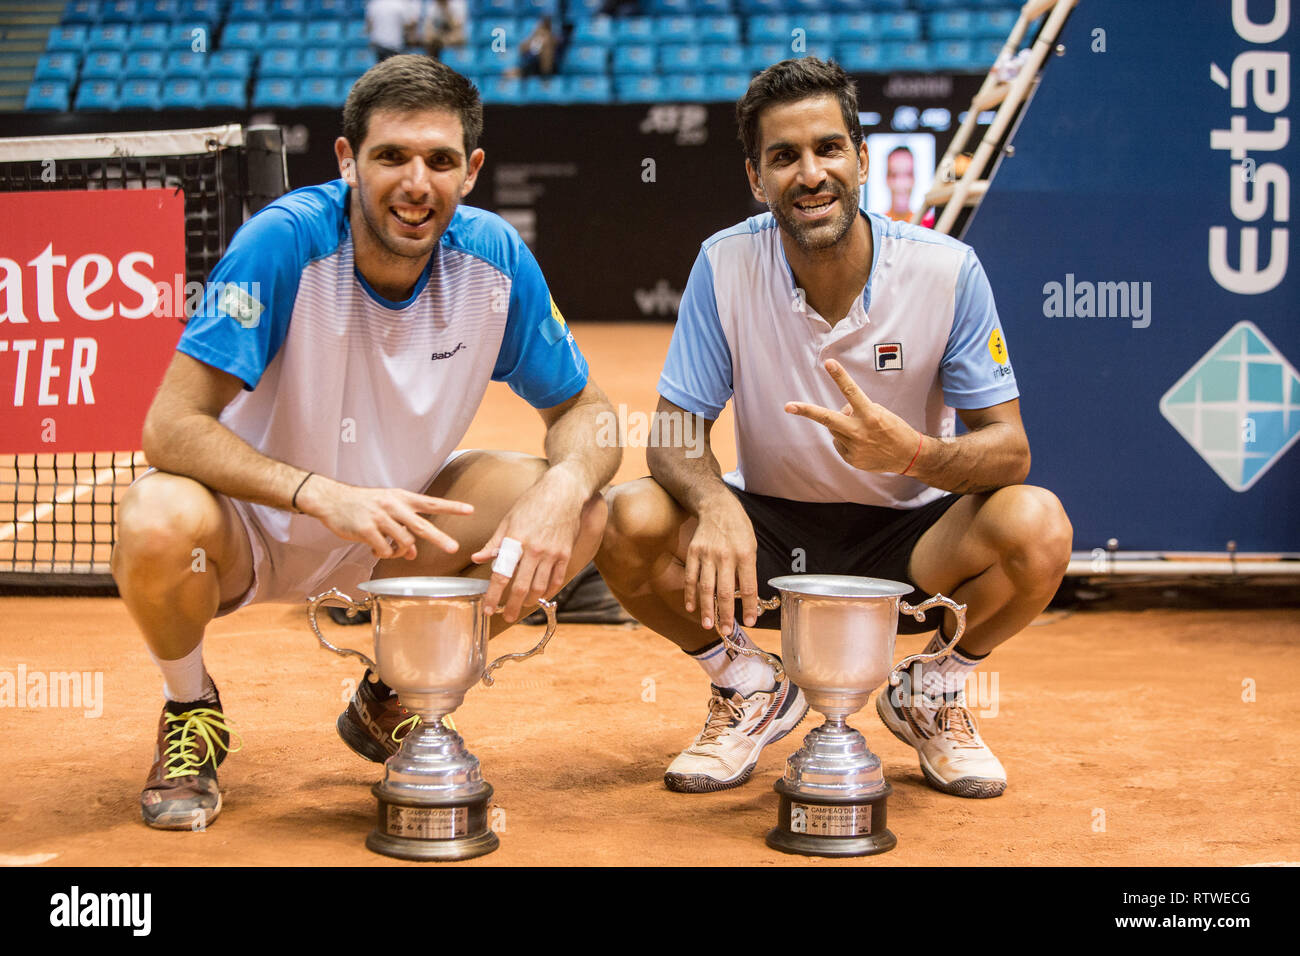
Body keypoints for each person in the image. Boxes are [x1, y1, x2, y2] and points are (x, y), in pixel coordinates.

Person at [113, 55, 620, 830]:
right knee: (154, 518)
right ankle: (190, 712)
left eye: (440, 160)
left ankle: (396, 693)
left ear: (471, 170)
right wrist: (319, 492)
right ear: (348, 160)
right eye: (391, 157)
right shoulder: (282, 244)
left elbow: (588, 412)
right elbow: (170, 428)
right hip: (251, 525)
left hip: (396, 534)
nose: (417, 183)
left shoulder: (494, 259)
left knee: (585, 508)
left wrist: (561, 487)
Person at [595, 58, 1071, 798]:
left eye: (828, 149)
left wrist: (911, 451)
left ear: (862, 159)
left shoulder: (948, 272)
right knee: (628, 517)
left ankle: (933, 691)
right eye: (784, 157)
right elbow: (672, 433)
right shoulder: (724, 265)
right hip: (770, 541)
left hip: (914, 543)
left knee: (1038, 524)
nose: (810, 173)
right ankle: (749, 683)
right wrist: (717, 504)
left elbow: (1010, 451)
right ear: (757, 178)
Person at [885, 144, 915, 222]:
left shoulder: (928, 225)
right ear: (886, 179)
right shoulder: (875, 225)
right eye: (894, 175)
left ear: (914, 179)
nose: (901, 184)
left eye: (908, 174)